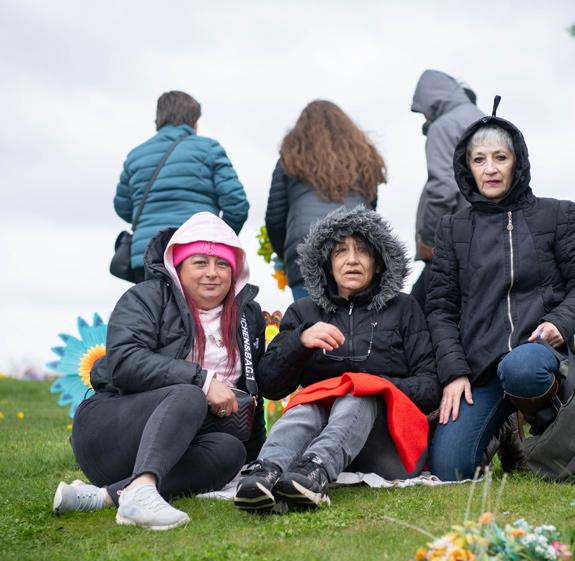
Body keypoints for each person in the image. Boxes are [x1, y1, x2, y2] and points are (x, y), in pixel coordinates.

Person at [426, 99, 575, 481]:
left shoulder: (559, 215)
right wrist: (455, 372)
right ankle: (505, 429)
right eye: (479, 160)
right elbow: (440, 309)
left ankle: (550, 420)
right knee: (449, 468)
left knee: (521, 367)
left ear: (517, 162)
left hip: (539, 359)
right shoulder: (453, 229)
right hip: (480, 370)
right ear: (467, 167)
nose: (490, 168)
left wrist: (559, 323)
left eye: (500, 158)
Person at [53, 212, 266, 530]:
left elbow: (253, 391)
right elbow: (124, 362)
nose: (212, 273)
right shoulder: (146, 297)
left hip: (179, 449)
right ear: (177, 266)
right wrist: (203, 380)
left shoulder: (246, 315)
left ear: (235, 271)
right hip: (110, 433)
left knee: (230, 451)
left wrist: (257, 460)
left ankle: (107, 496)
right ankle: (140, 491)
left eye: (222, 264)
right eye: (200, 263)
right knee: (190, 393)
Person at [235, 207, 440, 510]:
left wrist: (374, 386)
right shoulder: (304, 312)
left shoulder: (404, 308)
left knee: (358, 395)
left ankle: (315, 473)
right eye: (340, 251)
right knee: (309, 405)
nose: (352, 259)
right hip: (314, 434)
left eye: (363, 251)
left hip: (386, 444)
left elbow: (430, 386)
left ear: (379, 263)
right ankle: (265, 471)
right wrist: (299, 343)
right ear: (327, 263)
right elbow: (270, 386)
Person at [114, 90, 249, 283]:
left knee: (149, 303)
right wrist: (218, 239)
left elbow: (123, 208)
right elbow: (237, 206)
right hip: (193, 253)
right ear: (194, 121)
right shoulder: (209, 149)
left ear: (158, 120)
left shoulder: (135, 156)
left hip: (145, 256)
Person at [265, 100, 386, 301]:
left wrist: (287, 255)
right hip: (355, 254)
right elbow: (370, 212)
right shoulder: (364, 159)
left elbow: (275, 219)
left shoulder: (290, 159)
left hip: (305, 254)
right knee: (356, 319)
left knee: (309, 319)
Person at [410, 70, 484, 309]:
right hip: (487, 239)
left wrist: (430, 240)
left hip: (453, 242)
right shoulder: (482, 119)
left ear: (429, 100)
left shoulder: (444, 126)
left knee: (416, 312)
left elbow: (443, 188)